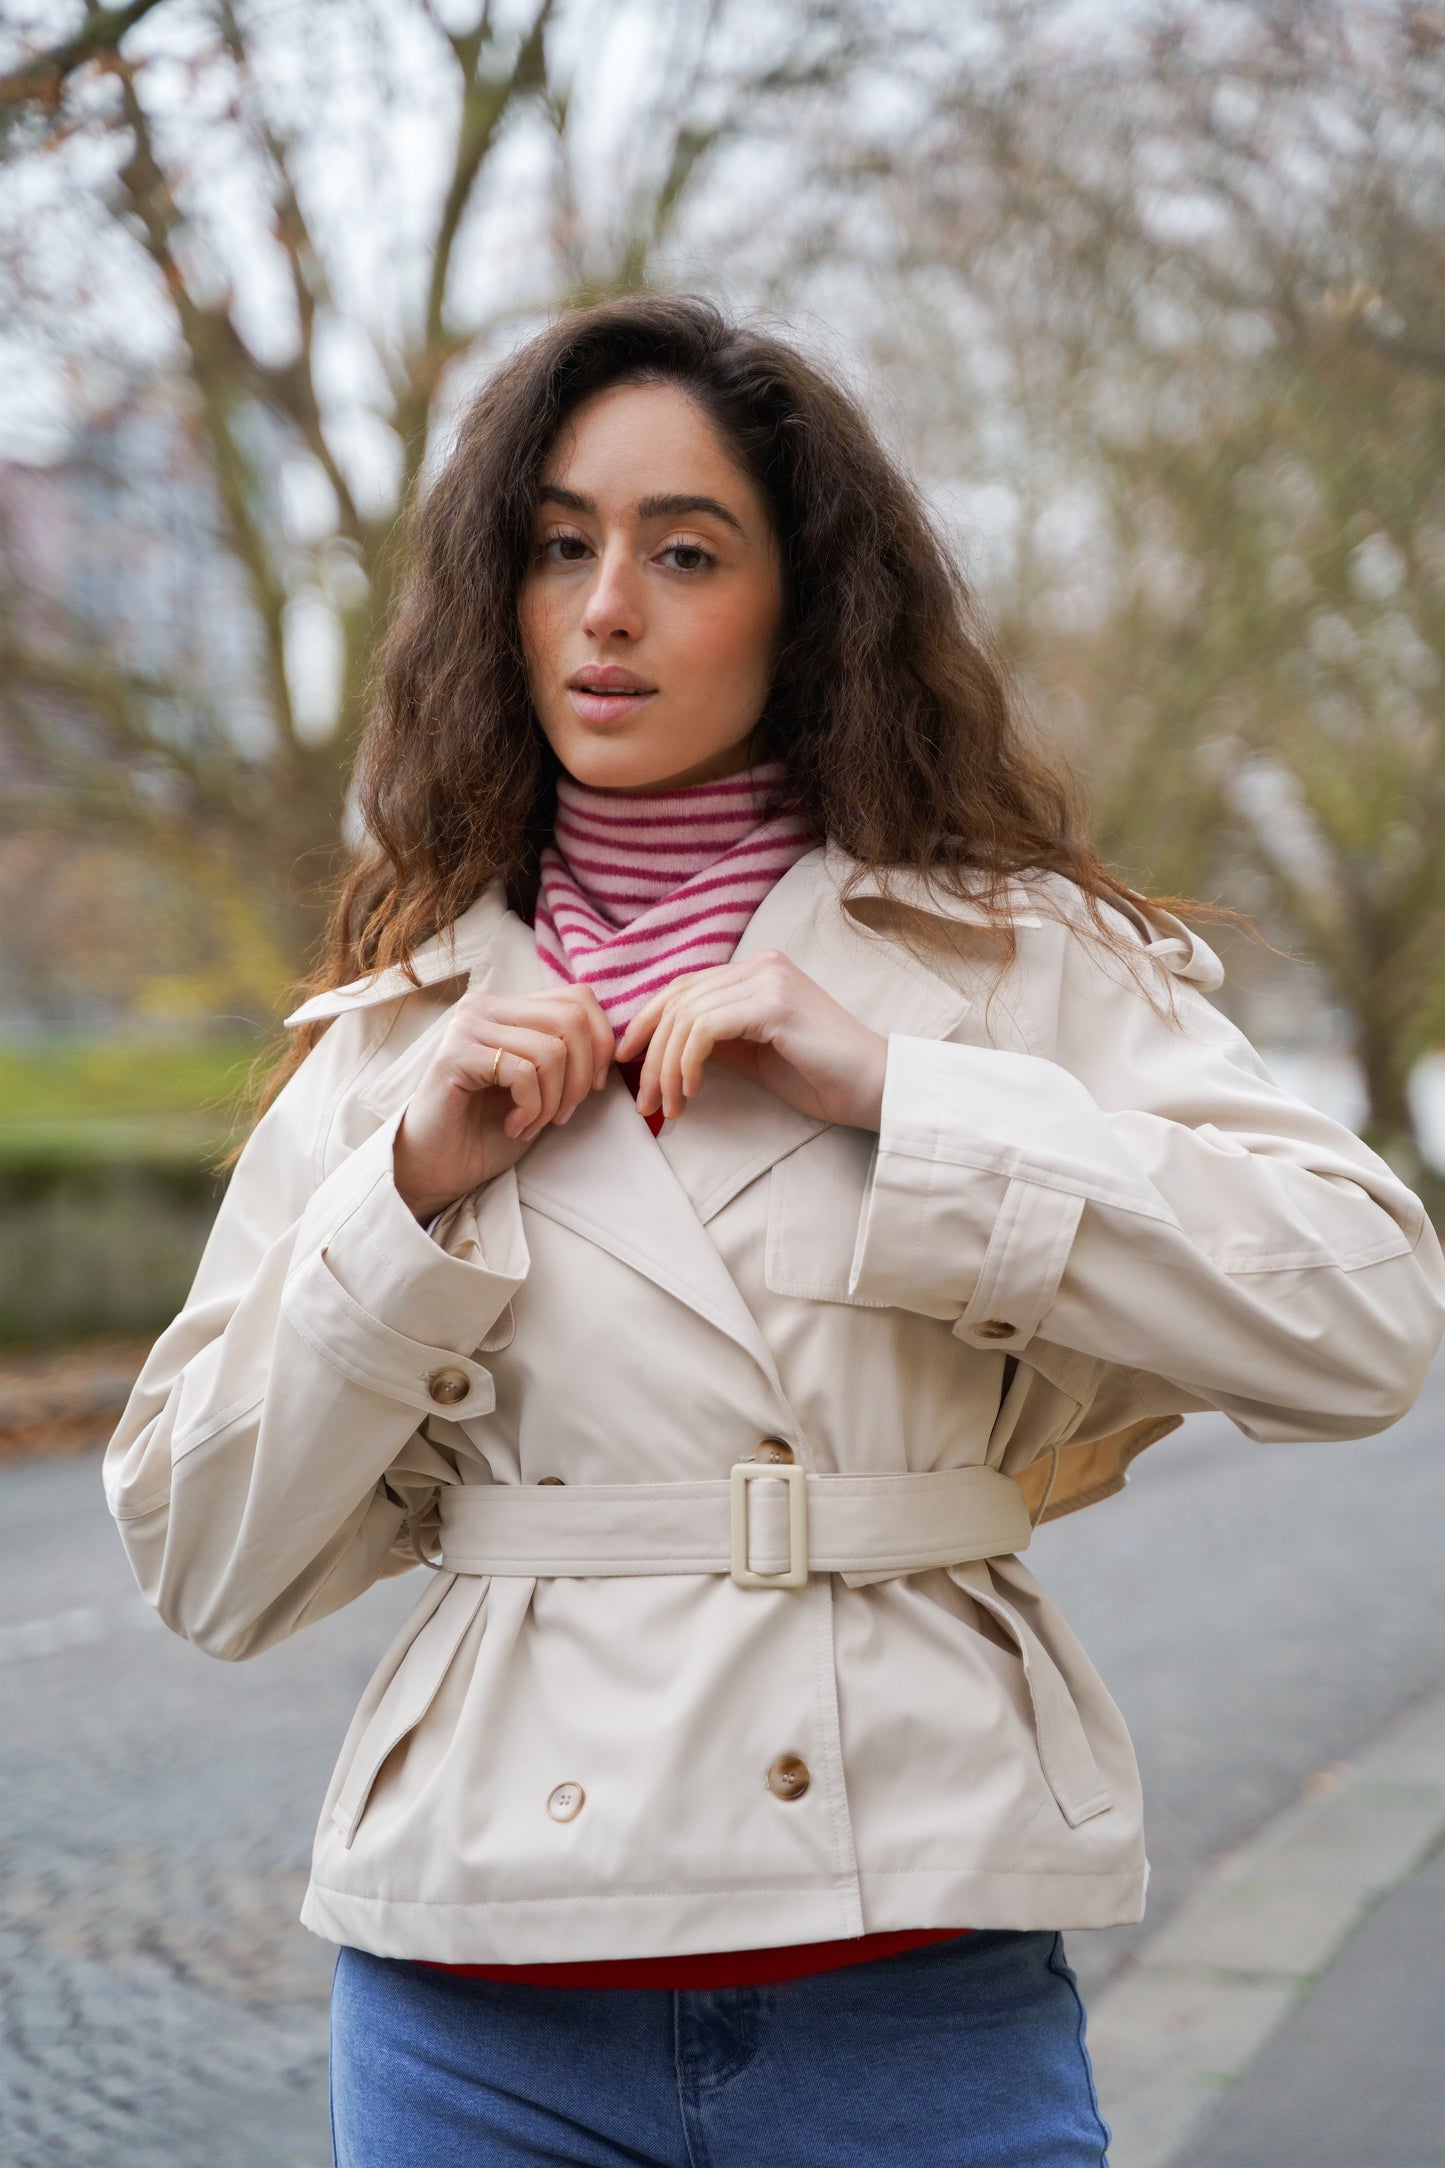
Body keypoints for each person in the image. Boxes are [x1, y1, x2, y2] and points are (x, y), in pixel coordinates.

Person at [104, 294, 1445, 2167]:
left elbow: (1368, 1320)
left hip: (908, 1987)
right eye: (558, 545)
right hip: (476, 1997)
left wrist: (909, 1096)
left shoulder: (1005, 966)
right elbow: (200, 1562)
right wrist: (403, 1197)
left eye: (684, 550)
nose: (606, 610)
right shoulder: (393, 1041)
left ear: (803, 604)